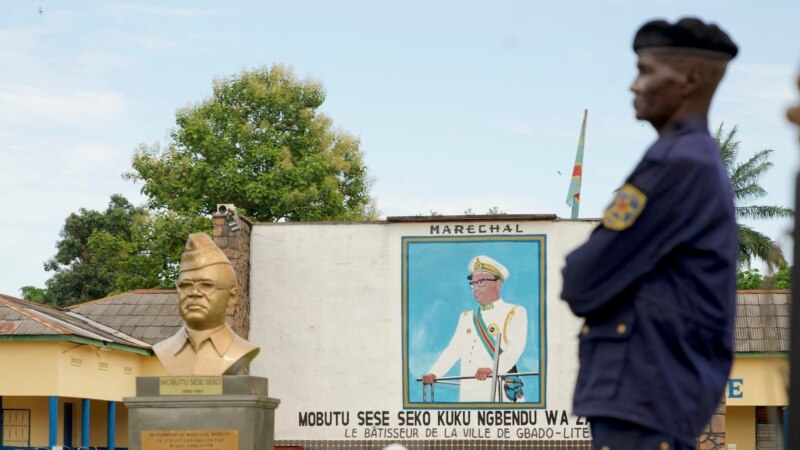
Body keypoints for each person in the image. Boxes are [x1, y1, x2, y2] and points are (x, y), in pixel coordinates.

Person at [560, 18, 739, 450]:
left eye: (645, 71)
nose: (633, 86)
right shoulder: (690, 158)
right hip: (654, 394)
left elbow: (581, 280)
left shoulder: (677, 163)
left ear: (691, 79)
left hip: (643, 394)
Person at [422, 255, 528, 402]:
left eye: (481, 282)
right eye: (473, 283)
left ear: (498, 283)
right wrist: (434, 373)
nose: (476, 288)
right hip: (469, 392)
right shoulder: (466, 317)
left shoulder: (515, 312)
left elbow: (515, 348)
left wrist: (491, 368)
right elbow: (453, 349)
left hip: (499, 391)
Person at [153, 232, 260, 375]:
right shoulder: (163, 350)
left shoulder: (240, 351)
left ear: (231, 297)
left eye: (206, 285)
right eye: (185, 285)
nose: (194, 292)